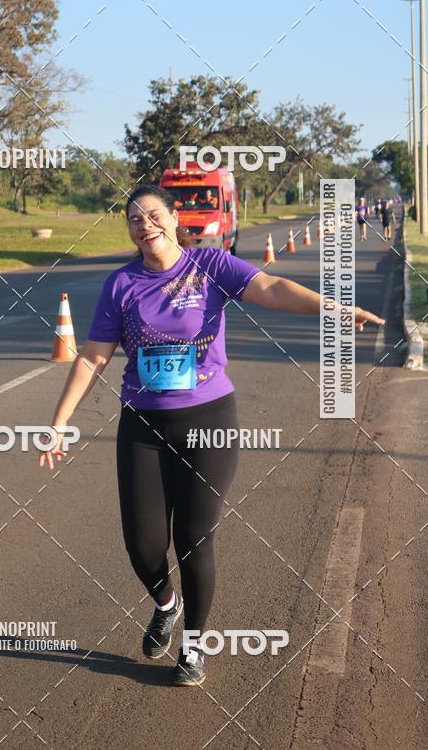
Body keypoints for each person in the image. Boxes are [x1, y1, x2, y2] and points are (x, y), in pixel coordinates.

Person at [39, 184, 384, 687]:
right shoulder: (121, 284)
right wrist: (60, 422)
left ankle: (193, 646)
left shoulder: (210, 266)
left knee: (193, 538)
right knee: (143, 545)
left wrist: (332, 307)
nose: (145, 226)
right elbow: (94, 355)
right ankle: (166, 603)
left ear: (175, 218)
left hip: (210, 421)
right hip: (143, 425)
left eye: (153, 215)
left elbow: (271, 288)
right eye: (135, 219)